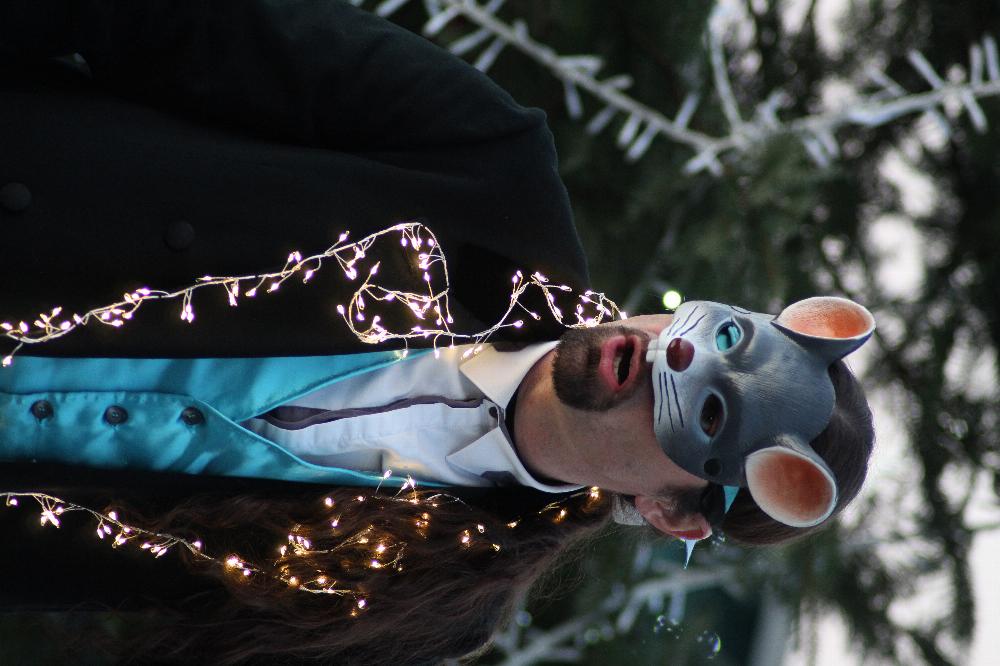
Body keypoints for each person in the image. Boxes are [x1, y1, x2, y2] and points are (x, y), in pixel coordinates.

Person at [0, 1, 876, 663]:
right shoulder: (485, 168)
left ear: (669, 512)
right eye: (723, 337)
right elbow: (165, 20)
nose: (670, 355)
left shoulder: (423, 598)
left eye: (710, 417)